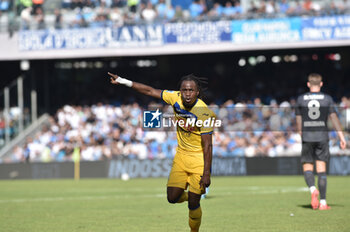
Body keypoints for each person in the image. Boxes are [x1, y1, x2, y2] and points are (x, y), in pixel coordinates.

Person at [108, 72, 215, 231]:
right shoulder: (175, 97)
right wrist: (123, 81)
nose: (187, 94)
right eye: (184, 90)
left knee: (194, 204)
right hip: (181, 156)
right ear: (180, 90)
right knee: (172, 198)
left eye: (191, 90)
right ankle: (193, 195)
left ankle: (194, 228)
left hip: (198, 160)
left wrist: (207, 173)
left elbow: (208, 146)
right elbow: (150, 91)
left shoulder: (204, 113)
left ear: (197, 92)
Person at [295, 73, 347, 210]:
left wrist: (301, 135)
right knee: (321, 170)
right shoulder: (327, 99)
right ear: (321, 84)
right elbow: (334, 118)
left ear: (308, 84)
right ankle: (323, 203)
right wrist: (342, 137)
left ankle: (313, 190)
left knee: (307, 167)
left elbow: (298, 121)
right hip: (322, 137)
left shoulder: (301, 99)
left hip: (307, 137)